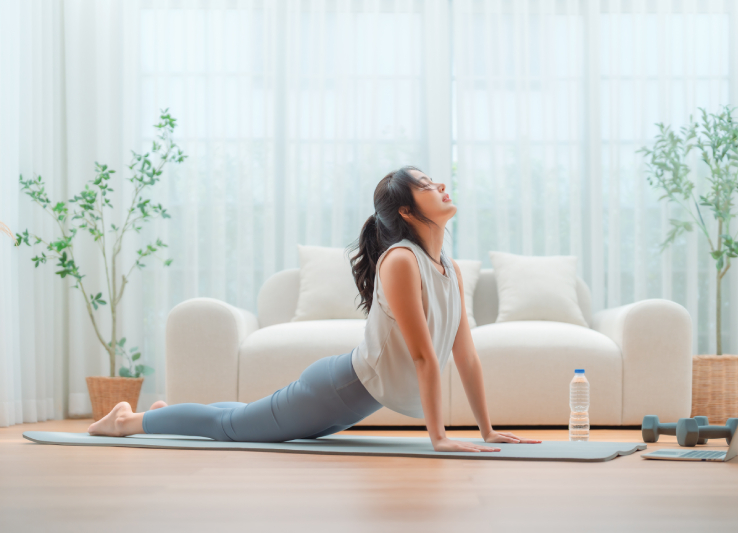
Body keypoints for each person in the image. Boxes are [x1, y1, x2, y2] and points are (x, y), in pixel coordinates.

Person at [88, 165, 541, 452]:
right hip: (340, 389)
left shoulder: (448, 268)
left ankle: (171, 413)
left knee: (250, 417)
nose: (441, 185)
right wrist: (439, 439)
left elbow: (466, 355)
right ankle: (127, 422)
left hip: (352, 396)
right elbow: (423, 356)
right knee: (231, 429)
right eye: (426, 184)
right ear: (406, 211)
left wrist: (487, 430)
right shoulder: (402, 261)